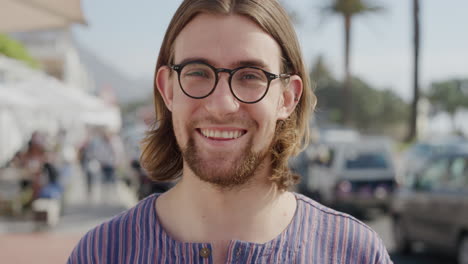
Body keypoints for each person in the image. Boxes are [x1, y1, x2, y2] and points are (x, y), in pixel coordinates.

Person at [68, 0, 392, 263]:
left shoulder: (356, 254)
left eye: (250, 76)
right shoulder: (101, 253)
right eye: (198, 72)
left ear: (288, 98)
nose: (222, 105)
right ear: (168, 90)